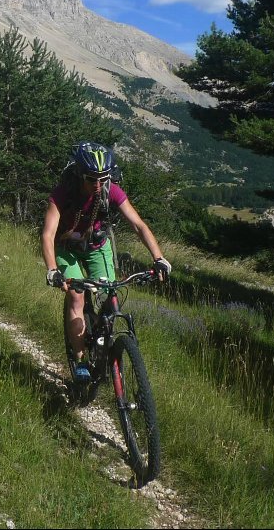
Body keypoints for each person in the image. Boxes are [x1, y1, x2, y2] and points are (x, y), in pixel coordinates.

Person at [40, 141, 172, 382]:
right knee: (77, 295)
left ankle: (103, 344)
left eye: (103, 178)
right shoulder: (63, 192)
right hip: (67, 248)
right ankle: (80, 360)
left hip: (97, 245)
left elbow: (138, 225)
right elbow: (48, 234)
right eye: (92, 179)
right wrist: (52, 270)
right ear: (80, 175)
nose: (98, 185)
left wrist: (159, 257)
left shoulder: (110, 190)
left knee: (110, 294)